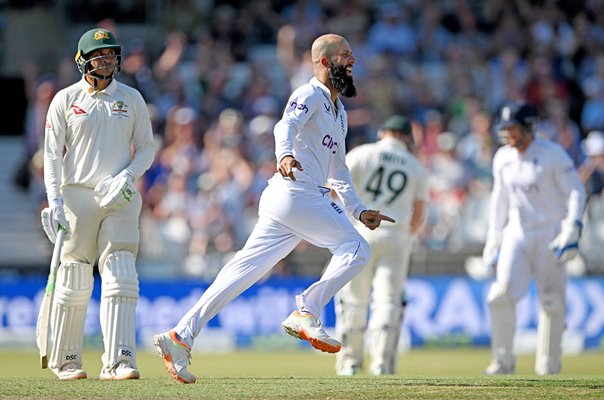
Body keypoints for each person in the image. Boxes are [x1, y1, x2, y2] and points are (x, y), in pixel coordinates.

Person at [153, 33, 395, 384]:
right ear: (326, 62)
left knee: (241, 272)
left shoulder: (339, 112)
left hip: (292, 200)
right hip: (297, 192)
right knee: (357, 249)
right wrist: (284, 154)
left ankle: (180, 336)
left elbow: (338, 171)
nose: (352, 62)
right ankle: (307, 310)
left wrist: (358, 211)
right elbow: (286, 125)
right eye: (345, 56)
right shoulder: (308, 93)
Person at [40, 28, 155, 380]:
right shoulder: (65, 98)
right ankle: (68, 359)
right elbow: (51, 156)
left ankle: (120, 360)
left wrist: (127, 176)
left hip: (118, 195)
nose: (107, 60)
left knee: (121, 273)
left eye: (111, 54)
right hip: (77, 196)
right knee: (74, 276)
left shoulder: (132, 98)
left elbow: (148, 148)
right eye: (99, 54)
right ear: (83, 60)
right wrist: (55, 200)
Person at [482, 100, 586, 375]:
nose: (508, 135)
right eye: (505, 129)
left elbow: (576, 191)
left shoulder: (552, 154)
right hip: (516, 232)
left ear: (530, 128)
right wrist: (493, 238)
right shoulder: (502, 157)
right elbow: (499, 200)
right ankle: (503, 363)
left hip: (550, 232)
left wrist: (572, 226)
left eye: (513, 129)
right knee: (500, 295)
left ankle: (548, 367)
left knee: (551, 301)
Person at [334, 115, 427, 376]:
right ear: (407, 138)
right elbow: (418, 214)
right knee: (388, 301)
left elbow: (333, 190)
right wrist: (403, 237)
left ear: (382, 131)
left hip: (359, 230)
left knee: (353, 300)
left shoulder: (361, 154)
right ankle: (382, 364)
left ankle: (350, 363)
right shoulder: (416, 166)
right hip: (395, 235)